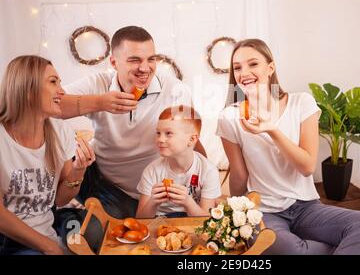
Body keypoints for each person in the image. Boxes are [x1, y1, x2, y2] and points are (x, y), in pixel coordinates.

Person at [216, 39, 360, 255]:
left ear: (270, 67)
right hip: (264, 211)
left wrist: (271, 130)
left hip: (305, 207)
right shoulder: (229, 117)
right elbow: (239, 174)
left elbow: (307, 167)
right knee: (291, 250)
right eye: (237, 67)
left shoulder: (301, 103)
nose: (244, 72)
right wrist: (234, 214)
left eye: (253, 64)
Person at [58, 26, 206, 219]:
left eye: (151, 59)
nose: (145, 68)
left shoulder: (175, 90)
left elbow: (192, 143)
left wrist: (207, 192)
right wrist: (100, 102)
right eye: (134, 60)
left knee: (132, 224)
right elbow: (48, 103)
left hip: (151, 188)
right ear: (113, 62)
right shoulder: (97, 84)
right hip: (104, 181)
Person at [0, 55, 94, 255]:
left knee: (94, 231)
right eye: (53, 82)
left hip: (51, 228)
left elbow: (60, 199)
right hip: (11, 240)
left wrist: (79, 170)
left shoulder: (60, 131)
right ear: (28, 92)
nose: (62, 91)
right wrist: (49, 247)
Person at [136, 105, 221, 218]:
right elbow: (140, 218)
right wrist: (152, 202)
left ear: (192, 139)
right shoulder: (152, 170)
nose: (160, 139)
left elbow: (206, 219)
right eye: (158, 133)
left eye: (168, 133)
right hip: (160, 220)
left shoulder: (208, 171)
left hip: (193, 220)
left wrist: (187, 202)